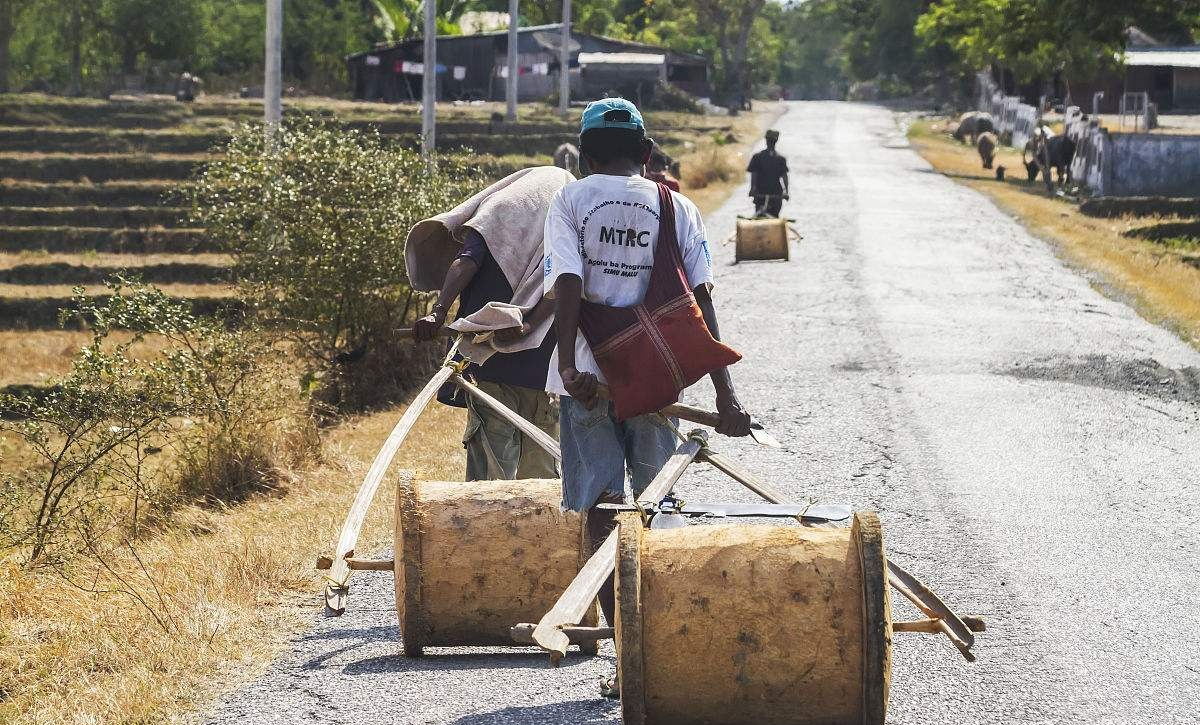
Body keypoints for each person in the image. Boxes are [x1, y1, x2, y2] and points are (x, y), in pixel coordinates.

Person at [543, 100, 752, 685]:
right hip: (658, 381)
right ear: (644, 152)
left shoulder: (570, 200)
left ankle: (620, 646)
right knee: (654, 506)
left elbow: (566, 284)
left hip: (586, 379)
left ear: (584, 155)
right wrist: (725, 397)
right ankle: (655, 644)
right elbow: (701, 301)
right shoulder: (674, 205)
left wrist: (568, 366)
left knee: (601, 504)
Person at [407, 167, 575, 481]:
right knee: (541, 472)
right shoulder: (566, 221)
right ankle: (540, 528)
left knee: (490, 472)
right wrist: (529, 326)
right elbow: (560, 287)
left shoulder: (496, 211)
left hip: (490, 363)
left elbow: (465, 262)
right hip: (542, 367)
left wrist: (439, 312)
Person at [747, 128, 789, 217]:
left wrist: (752, 189)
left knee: (759, 217)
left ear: (766, 141)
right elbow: (784, 176)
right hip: (774, 195)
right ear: (776, 141)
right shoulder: (780, 159)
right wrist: (785, 192)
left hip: (762, 194)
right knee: (774, 219)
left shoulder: (757, 157)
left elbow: (754, 175)